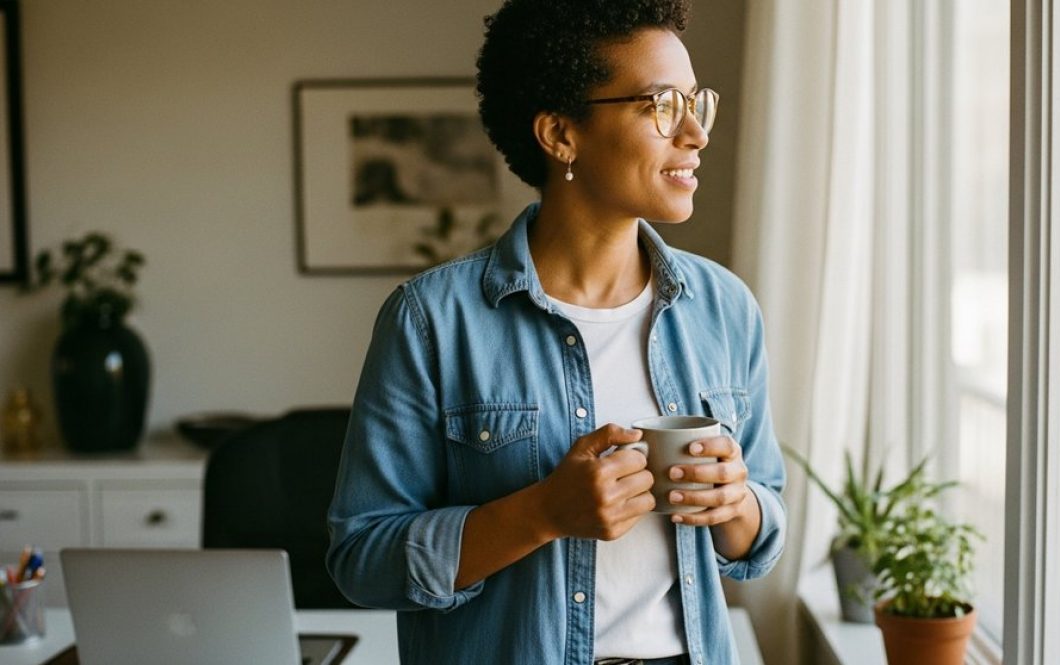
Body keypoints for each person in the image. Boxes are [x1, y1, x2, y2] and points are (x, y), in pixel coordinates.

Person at [326, 1, 787, 663]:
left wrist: (736, 502)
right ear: (560, 135)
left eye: (696, 102)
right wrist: (542, 512)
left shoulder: (724, 308)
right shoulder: (432, 319)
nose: (695, 132)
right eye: (660, 104)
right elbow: (362, 558)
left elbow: (761, 532)